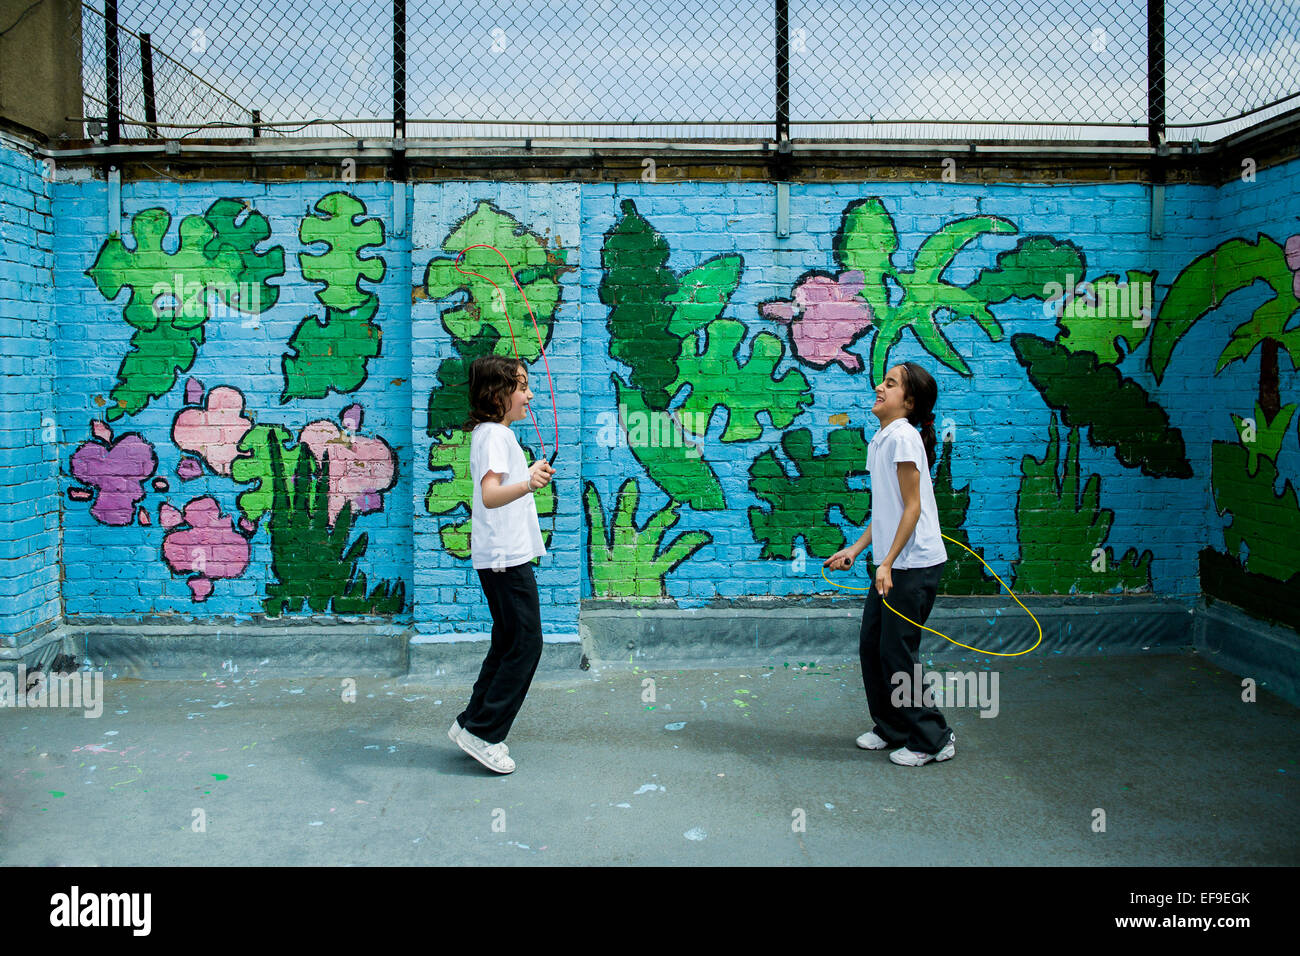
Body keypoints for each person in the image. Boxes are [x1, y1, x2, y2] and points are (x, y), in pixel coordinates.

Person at [824, 362, 955, 766]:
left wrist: (889, 562)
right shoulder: (883, 438)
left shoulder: (903, 439)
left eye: (891, 384)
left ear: (909, 401)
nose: (880, 387)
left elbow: (913, 509)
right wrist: (857, 549)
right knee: (872, 647)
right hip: (891, 562)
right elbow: (886, 509)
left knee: (898, 653)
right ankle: (893, 728)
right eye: (884, 381)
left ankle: (933, 739)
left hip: (913, 565)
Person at [448, 355, 555, 774]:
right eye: (522, 386)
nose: (529, 395)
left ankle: (471, 724)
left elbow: (498, 487)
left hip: (501, 558)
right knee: (526, 643)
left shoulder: (494, 435)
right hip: (504, 560)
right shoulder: (494, 435)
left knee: (509, 641)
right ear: (498, 393)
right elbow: (490, 495)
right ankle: (485, 733)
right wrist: (528, 482)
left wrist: (525, 474)